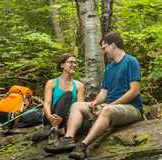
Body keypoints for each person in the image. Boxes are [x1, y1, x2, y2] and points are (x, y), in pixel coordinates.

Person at [44, 32, 144, 160]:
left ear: (113, 45)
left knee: (107, 110)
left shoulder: (131, 61)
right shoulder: (109, 68)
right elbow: (104, 92)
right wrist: (95, 102)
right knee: (77, 105)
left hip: (131, 108)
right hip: (110, 106)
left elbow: (134, 91)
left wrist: (109, 106)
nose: (104, 52)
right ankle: (68, 139)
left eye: (104, 48)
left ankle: (83, 146)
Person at [42, 53, 86, 145]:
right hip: (52, 117)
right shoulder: (51, 83)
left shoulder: (79, 85)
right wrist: (49, 116)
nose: (73, 65)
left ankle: (57, 131)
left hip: (68, 119)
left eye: (75, 63)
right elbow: (47, 103)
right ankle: (54, 129)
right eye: (70, 62)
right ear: (62, 65)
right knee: (68, 95)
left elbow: (80, 106)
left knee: (87, 124)